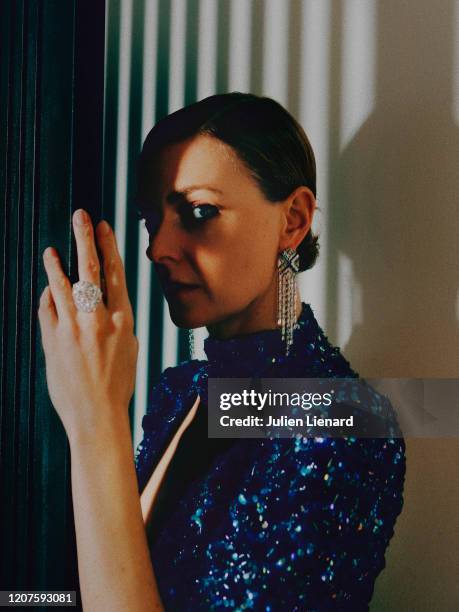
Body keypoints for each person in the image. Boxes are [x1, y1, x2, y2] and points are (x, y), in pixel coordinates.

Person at [38, 92, 405, 611]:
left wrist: (96, 422)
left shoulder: (346, 423)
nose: (157, 249)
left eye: (198, 211)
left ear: (293, 220)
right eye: (151, 220)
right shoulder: (181, 392)